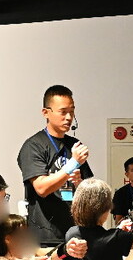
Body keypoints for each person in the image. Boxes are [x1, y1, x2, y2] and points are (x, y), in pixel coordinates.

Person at [17, 85, 93, 246]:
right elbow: (41, 188)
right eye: (63, 112)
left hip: (74, 231)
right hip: (45, 236)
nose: (69, 117)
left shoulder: (74, 145)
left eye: (72, 111)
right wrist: (72, 164)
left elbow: (88, 192)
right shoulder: (34, 146)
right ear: (46, 112)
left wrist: (79, 183)